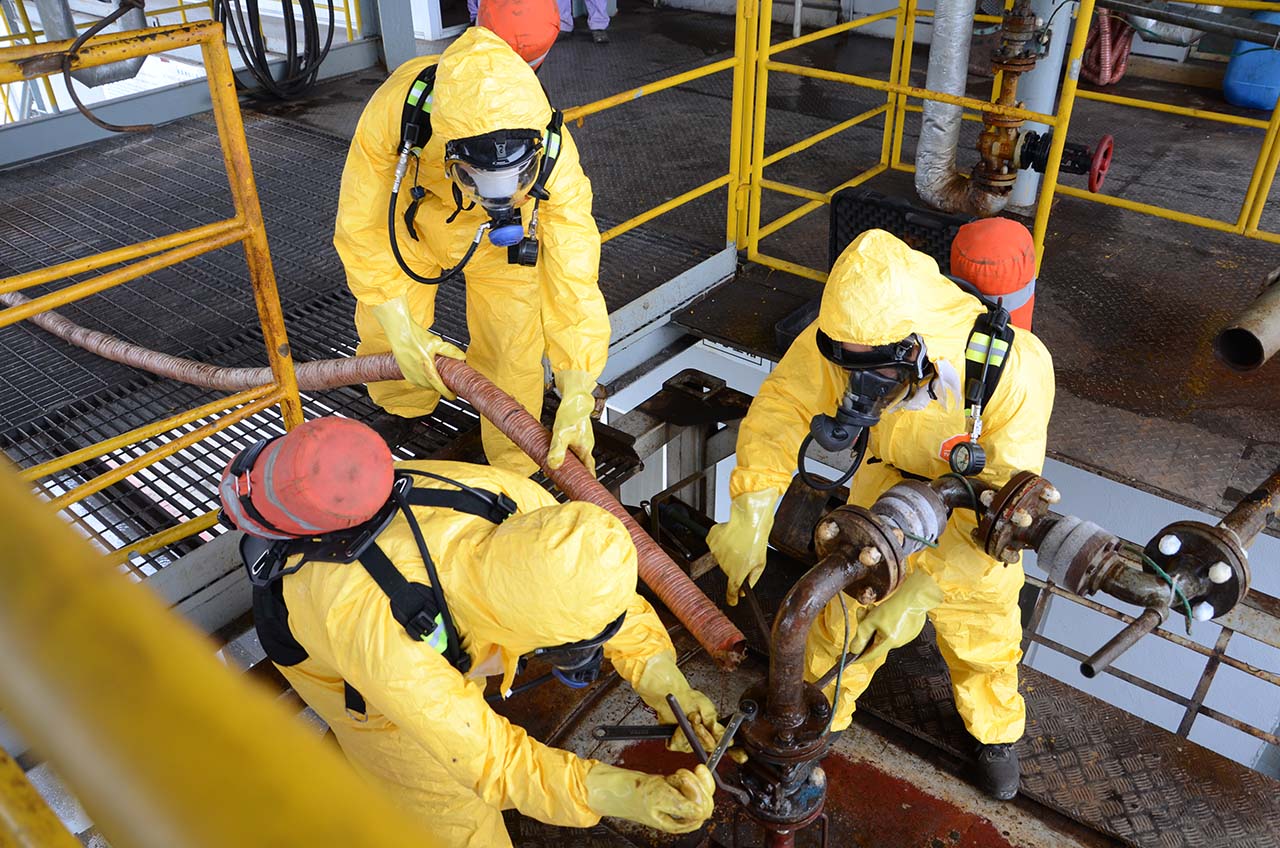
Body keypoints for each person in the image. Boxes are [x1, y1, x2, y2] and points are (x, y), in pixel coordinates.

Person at [220, 416, 720, 847]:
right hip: (350, 667)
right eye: (569, 648)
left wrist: (667, 684)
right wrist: (623, 793)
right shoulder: (386, 638)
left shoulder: (522, 508)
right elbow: (493, 763)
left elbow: (600, 596)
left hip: (423, 602)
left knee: (456, 689)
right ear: (525, 627)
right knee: (448, 807)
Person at [706, 228, 1054, 800]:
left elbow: (1003, 506)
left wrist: (922, 591)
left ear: (915, 346)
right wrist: (753, 505)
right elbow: (784, 405)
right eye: (848, 367)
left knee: (984, 633)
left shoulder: (1014, 370)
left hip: (972, 521)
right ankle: (819, 714)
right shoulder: (845, 332)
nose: (856, 388)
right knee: (842, 619)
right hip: (885, 482)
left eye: (875, 373)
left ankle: (994, 731)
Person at [335, 7, 605, 480]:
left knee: (512, 345)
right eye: (477, 179)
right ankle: (403, 407)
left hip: (498, 243)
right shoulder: (399, 107)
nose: (496, 196)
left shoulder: (555, 149)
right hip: (415, 224)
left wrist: (579, 384)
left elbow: (574, 272)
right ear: (450, 150)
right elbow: (361, 220)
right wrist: (398, 324)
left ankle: (514, 460)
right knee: (386, 330)